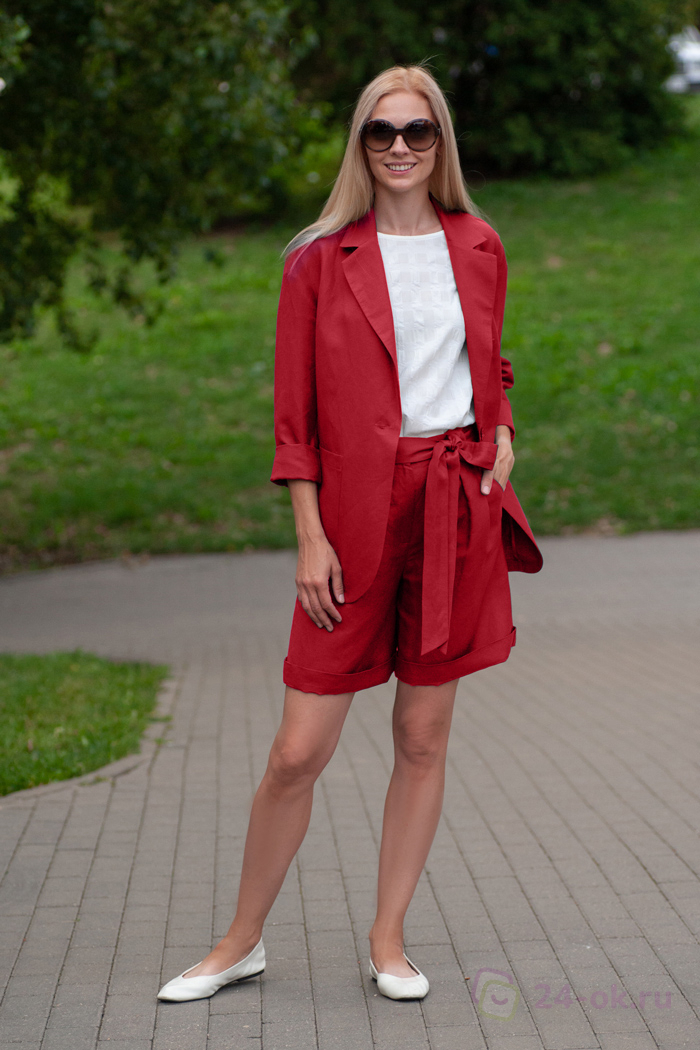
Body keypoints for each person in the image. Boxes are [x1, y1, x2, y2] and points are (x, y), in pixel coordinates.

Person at [157, 64, 542, 1006]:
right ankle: (240, 941)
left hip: (453, 507)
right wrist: (309, 534)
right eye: (382, 131)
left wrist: (500, 429)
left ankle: (388, 939)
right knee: (299, 748)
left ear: (441, 142)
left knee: (422, 735)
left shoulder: (479, 244)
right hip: (352, 519)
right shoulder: (318, 259)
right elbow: (294, 413)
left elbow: (487, 360)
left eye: (418, 131)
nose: (400, 147)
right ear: (360, 144)